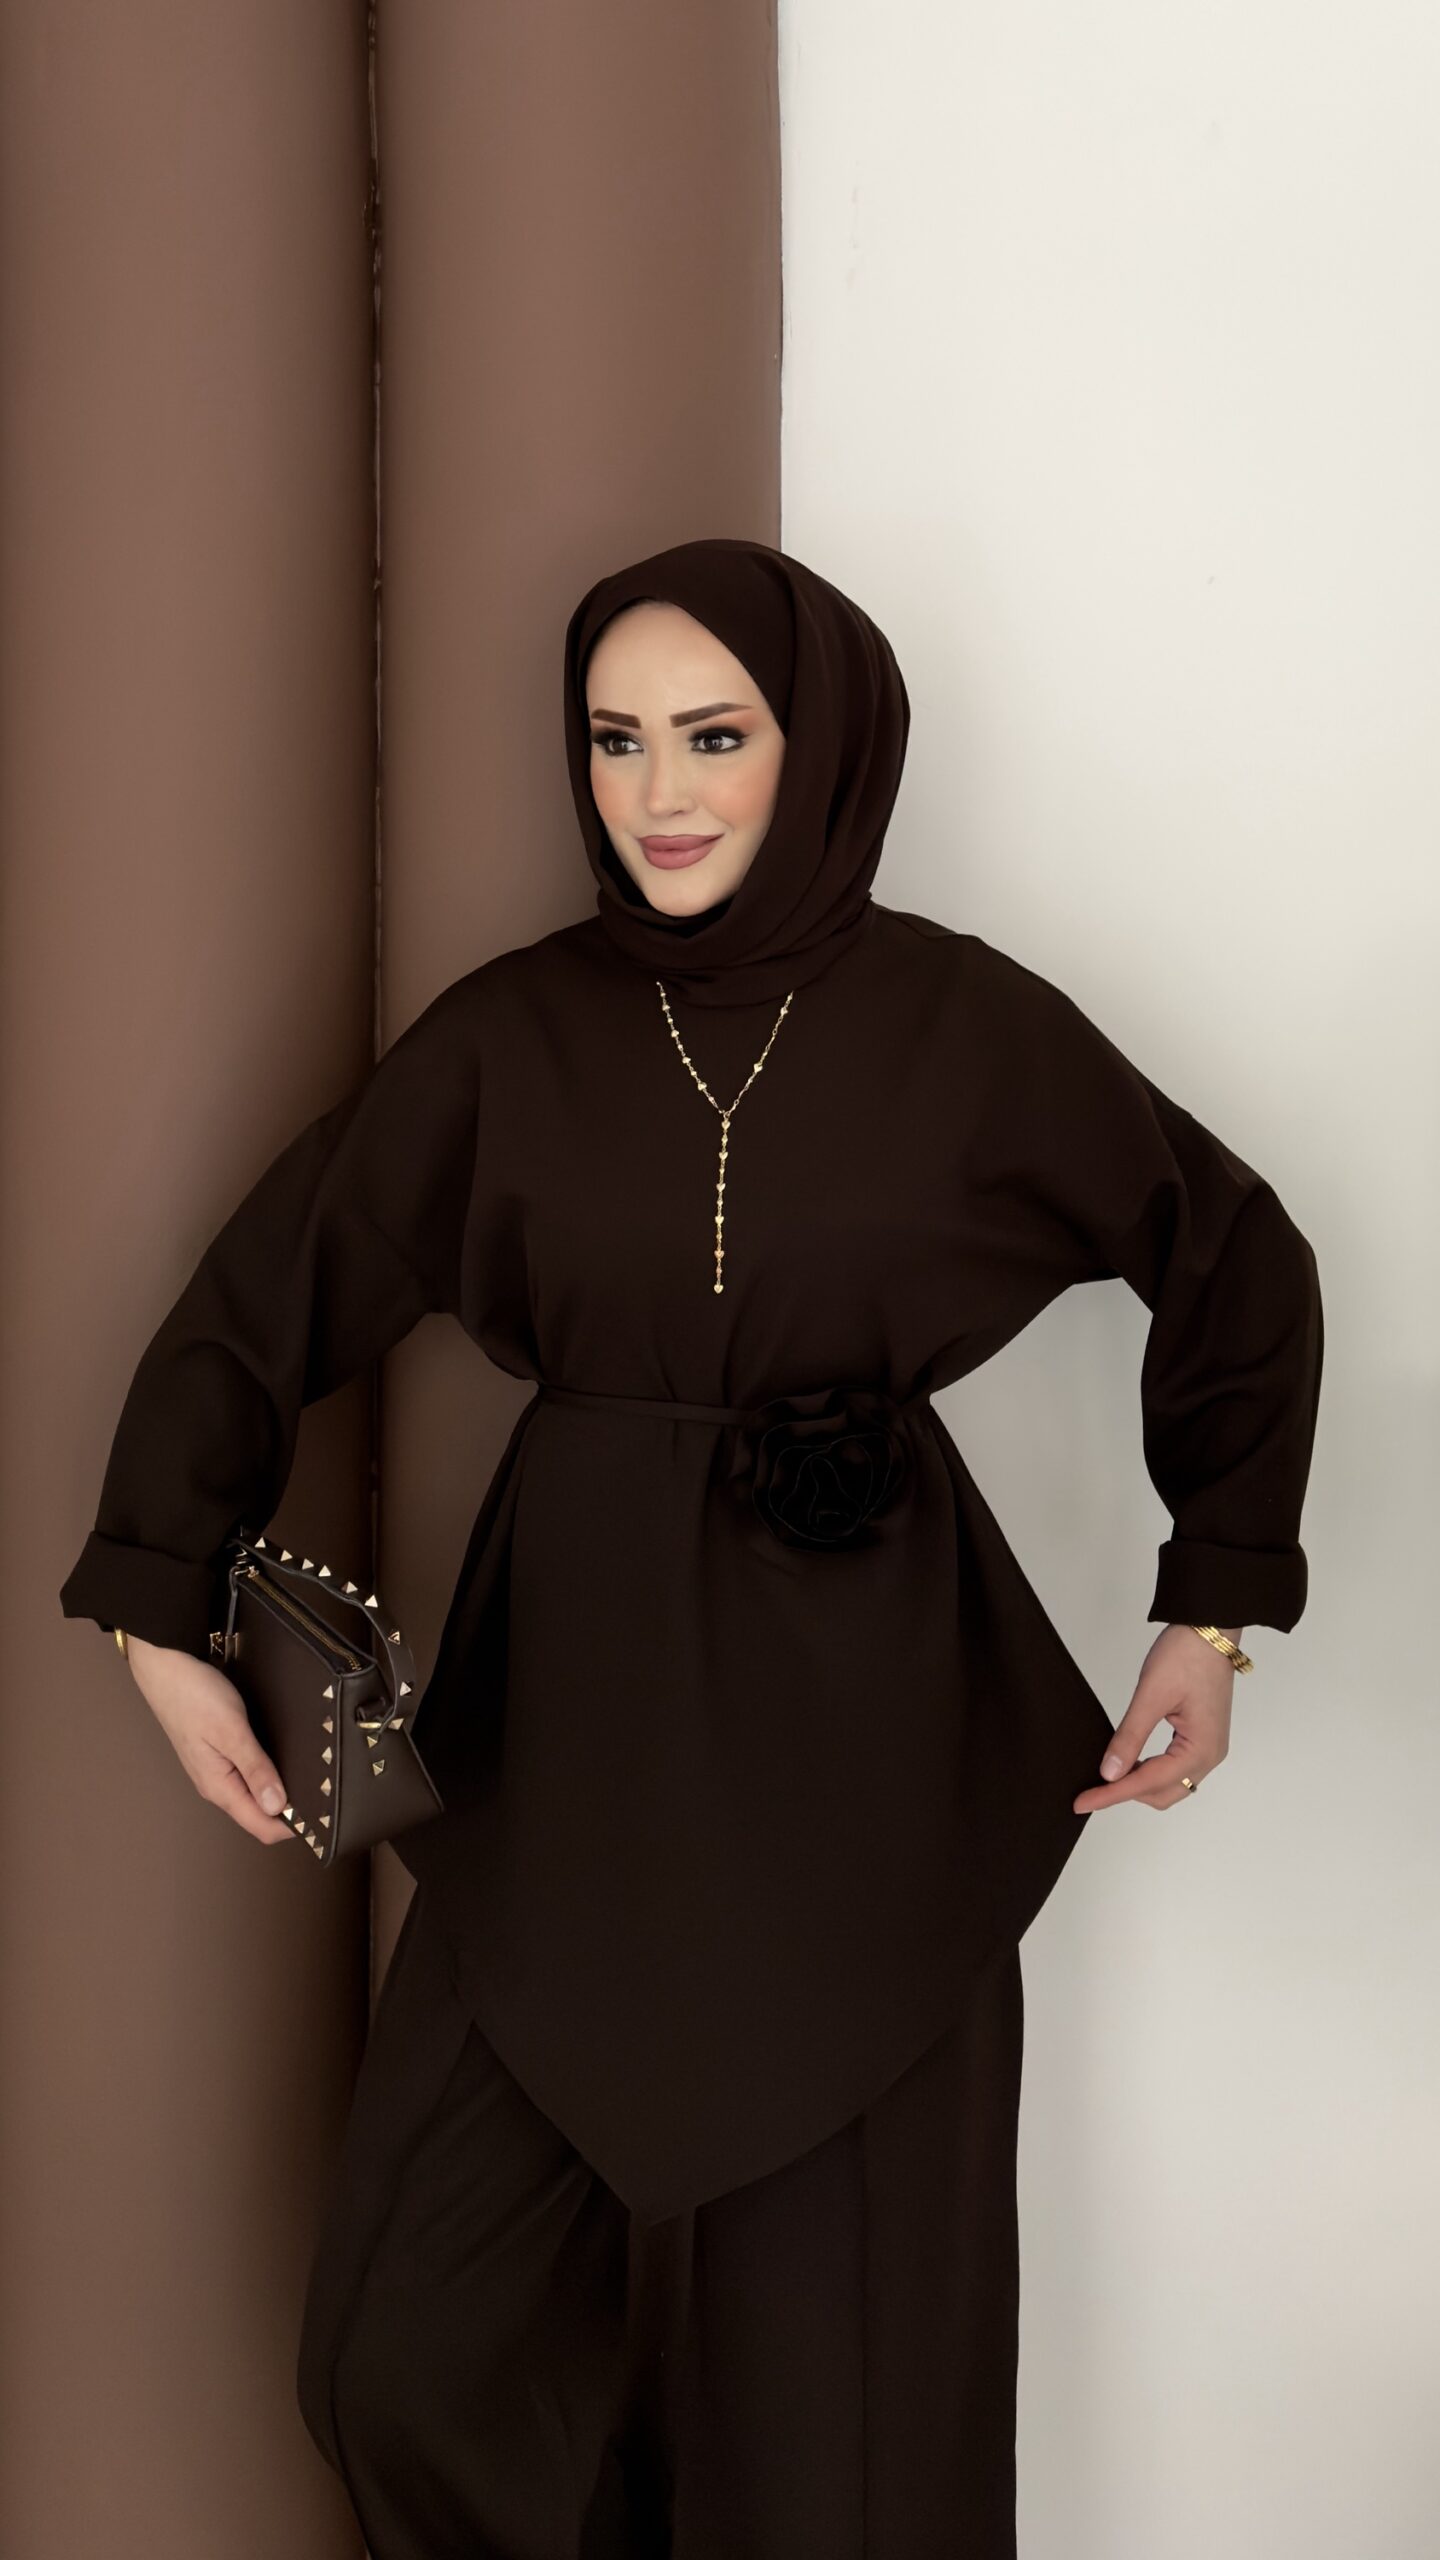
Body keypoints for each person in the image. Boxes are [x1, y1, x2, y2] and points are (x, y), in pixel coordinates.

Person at [59, 535, 1325, 2557]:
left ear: (821, 747)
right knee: (402, 2346)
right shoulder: (512, 1039)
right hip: (571, 1732)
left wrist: (1217, 1606)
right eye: (615, 737)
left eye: (715, 736)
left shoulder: (967, 1027)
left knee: (846, 2421)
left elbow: (1237, 1255)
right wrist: (158, 1598)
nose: (657, 792)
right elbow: (268, 1289)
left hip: (877, 1761)